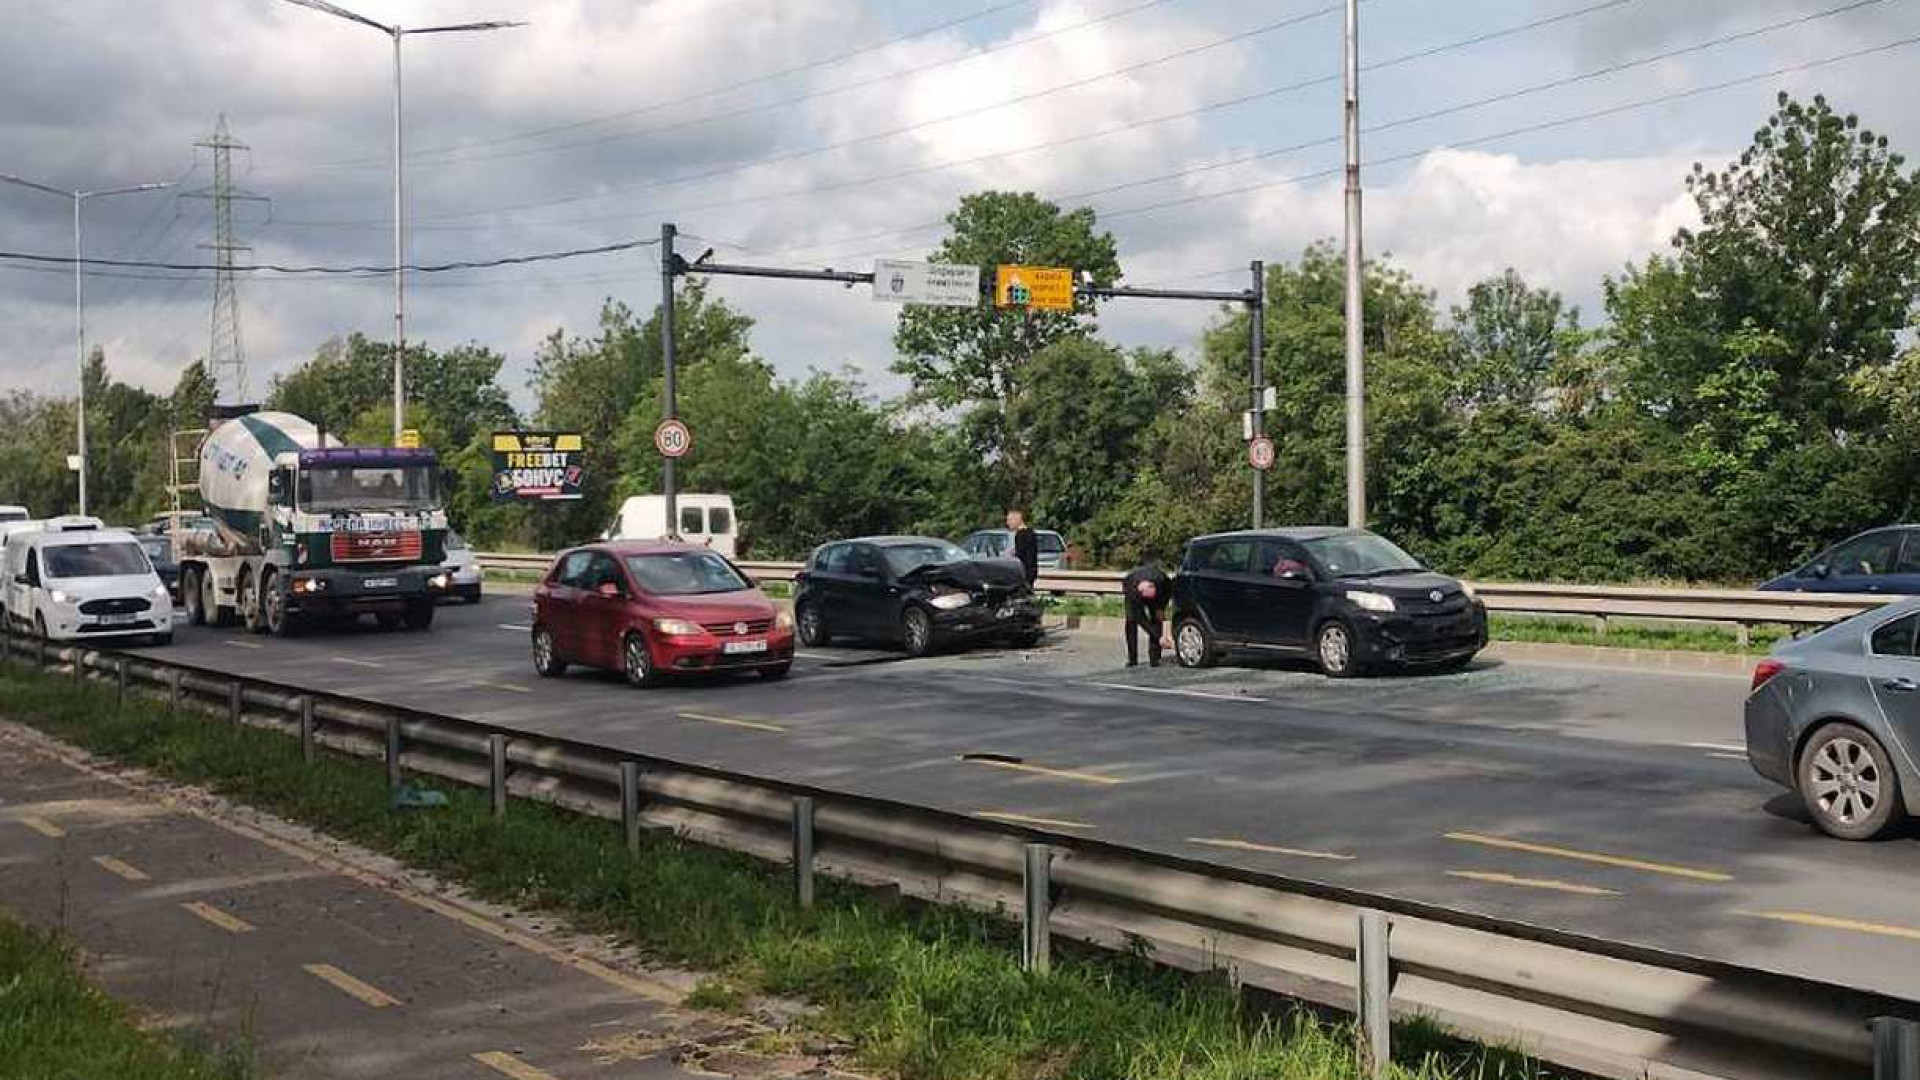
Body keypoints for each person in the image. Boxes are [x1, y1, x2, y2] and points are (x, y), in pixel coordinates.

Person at [1122, 560, 1173, 667]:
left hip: (1158, 596)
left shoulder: (1163, 580)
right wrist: (1160, 637)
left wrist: (1161, 609)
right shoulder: (1130, 585)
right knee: (1131, 621)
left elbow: (1166, 595)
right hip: (1135, 597)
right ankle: (1132, 659)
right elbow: (1141, 619)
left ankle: (1155, 658)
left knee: (1156, 619)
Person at [1007, 508, 1039, 587]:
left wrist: (1013, 555)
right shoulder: (1031, 532)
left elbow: (1020, 555)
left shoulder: (1021, 535)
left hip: (1024, 572)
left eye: (1009, 520)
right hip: (1032, 570)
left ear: (1017, 520)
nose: (1008, 523)